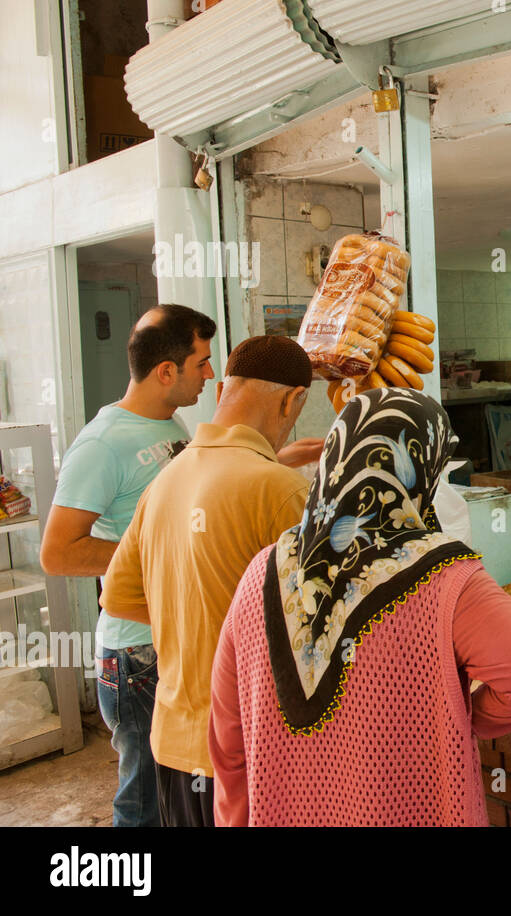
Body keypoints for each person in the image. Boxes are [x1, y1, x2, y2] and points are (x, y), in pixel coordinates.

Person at [208, 388, 511, 825]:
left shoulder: (260, 573)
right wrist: (467, 718)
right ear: (422, 471)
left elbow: (229, 740)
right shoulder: (445, 577)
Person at [100, 335, 316, 827]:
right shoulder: (281, 489)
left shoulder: (166, 479)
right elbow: (324, 617)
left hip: (175, 744)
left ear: (222, 388)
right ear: (291, 400)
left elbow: (117, 596)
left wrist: (198, 623)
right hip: (248, 749)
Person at [41, 304, 216, 827]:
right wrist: (155, 551)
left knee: (177, 798)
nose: (210, 375)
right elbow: (58, 552)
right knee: (142, 806)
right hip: (136, 656)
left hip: (171, 640)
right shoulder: (102, 443)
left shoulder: (167, 421)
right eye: (202, 363)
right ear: (168, 371)